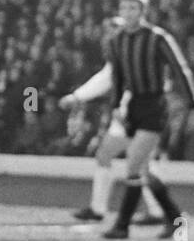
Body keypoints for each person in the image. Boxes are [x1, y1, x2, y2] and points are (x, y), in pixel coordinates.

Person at [63, 0, 194, 240]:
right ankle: (175, 218)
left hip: (154, 105)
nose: (128, 13)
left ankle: (122, 225)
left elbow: (180, 69)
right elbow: (118, 78)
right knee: (141, 168)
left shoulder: (158, 37)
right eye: (124, 8)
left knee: (133, 164)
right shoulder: (117, 41)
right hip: (133, 108)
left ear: (143, 12)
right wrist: (118, 107)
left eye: (133, 8)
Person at [59, 20, 165, 225]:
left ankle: (105, 210)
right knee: (134, 161)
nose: (107, 38)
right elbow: (106, 77)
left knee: (122, 158)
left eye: (111, 32)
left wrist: (77, 96)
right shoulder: (126, 53)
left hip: (135, 115)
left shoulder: (128, 54)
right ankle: (157, 211)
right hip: (134, 114)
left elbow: (107, 80)